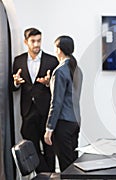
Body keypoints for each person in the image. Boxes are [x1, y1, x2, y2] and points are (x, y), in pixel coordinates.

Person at [12, 27, 58, 172]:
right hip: (27, 112)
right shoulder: (18, 61)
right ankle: (44, 175)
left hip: (46, 113)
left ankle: (49, 175)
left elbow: (58, 89)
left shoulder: (52, 61)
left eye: (39, 40)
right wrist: (16, 83)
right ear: (26, 42)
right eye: (33, 41)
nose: (37, 44)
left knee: (49, 150)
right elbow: (13, 86)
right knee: (30, 150)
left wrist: (48, 83)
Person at [44, 35, 83, 172]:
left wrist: (49, 128)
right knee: (73, 164)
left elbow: (56, 102)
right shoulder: (77, 69)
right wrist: (51, 83)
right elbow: (69, 96)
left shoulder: (60, 71)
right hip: (75, 122)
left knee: (66, 167)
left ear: (59, 50)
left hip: (63, 124)